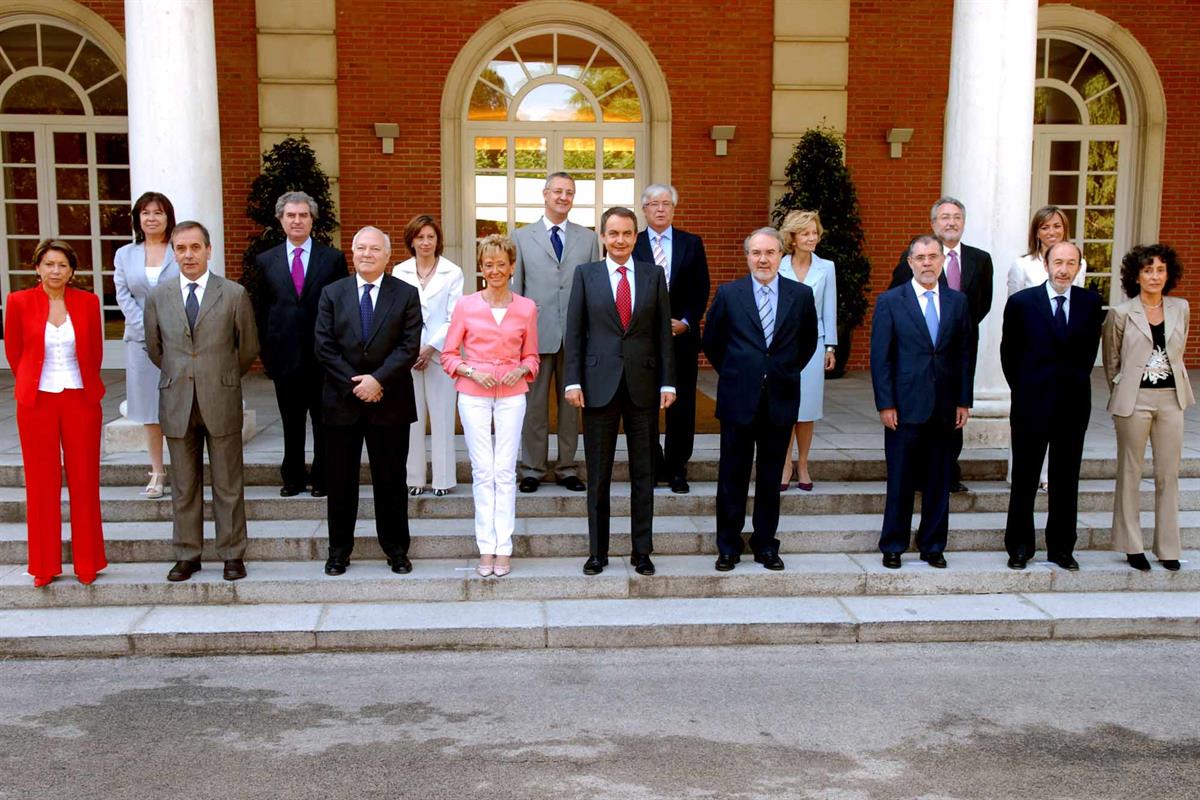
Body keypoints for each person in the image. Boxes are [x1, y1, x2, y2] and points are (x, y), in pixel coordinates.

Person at [145, 221, 259, 582]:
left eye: (195, 247)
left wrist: (220, 376)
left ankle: (231, 553)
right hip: (177, 399)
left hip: (221, 397)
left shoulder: (234, 294)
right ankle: (187, 554)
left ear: (209, 250)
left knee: (228, 482)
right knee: (183, 483)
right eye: (181, 248)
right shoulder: (159, 296)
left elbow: (248, 348)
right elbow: (155, 348)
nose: (188, 254)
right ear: (173, 252)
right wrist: (183, 374)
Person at [564, 206, 675, 576]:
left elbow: (662, 334)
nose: (620, 241)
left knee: (644, 475)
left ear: (635, 236)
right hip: (598, 387)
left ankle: (642, 551)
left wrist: (668, 381)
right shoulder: (586, 275)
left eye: (627, 234)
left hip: (643, 387)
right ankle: (598, 552)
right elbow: (575, 332)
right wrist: (573, 380)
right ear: (603, 237)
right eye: (613, 234)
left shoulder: (653, 275)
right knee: (599, 476)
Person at [702, 228, 817, 572]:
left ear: (781, 254)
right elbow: (712, 341)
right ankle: (728, 545)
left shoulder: (800, 295)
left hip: (780, 398)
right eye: (756, 253)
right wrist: (740, 372)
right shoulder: (729, 294)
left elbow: (807, 342)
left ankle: (766, 544)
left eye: (769, 252)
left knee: (770, 476)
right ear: (747, 257)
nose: (763, 259)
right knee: (732, 475)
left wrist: (779, 371)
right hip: (739, 398)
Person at [314, 226, 422, 576]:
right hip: (341, 403)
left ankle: (396, 550)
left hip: (389, 401)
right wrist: (355, 384)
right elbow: (324, 346)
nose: (366, 254)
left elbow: (409, 345)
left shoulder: (405, 294)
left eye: (375, 249)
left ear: (388, 256)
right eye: (360, 248)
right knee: (340, 482)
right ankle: (338, 552)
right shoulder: (332, 293)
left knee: (391, 481)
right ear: (352, 252)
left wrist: (378, 381)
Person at [5, 240, 106, 586]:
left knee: (84, 480)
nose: (55, 271)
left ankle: (88, 562)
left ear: (72, 271)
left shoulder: (89, 303)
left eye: (62, 265)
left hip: (80, 398)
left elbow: (94, 352)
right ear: (37, 268)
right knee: (41, 483)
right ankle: (44, 565)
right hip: (37, 402)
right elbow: (15, 352)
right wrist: (31, 383)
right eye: (49, 264)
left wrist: (84, 387)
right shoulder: (18, 302)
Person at [871, 235, 974, 569]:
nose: (927, 263)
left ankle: (932, 544)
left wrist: (963, 400)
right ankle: (893, 544)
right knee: (900, 478)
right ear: (910, 262)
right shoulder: (891, 301)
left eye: (933, 257)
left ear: (942, 261)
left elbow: (964, 355)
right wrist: (885, 404)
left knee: (939, 479)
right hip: (904, 406)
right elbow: (881, 358)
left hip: (945, 407)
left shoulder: (957, 302)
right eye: (921, 258)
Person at [1001, 241, 1104, 571]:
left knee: (1066, 479)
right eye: (1057, 262)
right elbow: (1009, 354)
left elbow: (1088, 354)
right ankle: (1019, 546)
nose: (1063, 269)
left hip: (1073, 405)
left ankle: (1061, 547)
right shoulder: (1022, 303)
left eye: (1070, 263)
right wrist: (1026, 390)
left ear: (1078, 267)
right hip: (1031, 404)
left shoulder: (1090, 303)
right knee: (1026, 478)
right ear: (1046, 265)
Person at [441, 235, 539, 577]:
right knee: (483, 471)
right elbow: (449, 355)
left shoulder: (526, 307)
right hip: (473, 393)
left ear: (512, 267)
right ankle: (486, 546)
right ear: (480, 268)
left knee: (505, 471)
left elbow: (533, 357)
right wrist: (471, 371)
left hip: (512, 394)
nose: (495, 270)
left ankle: (504, 547)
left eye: (501, 264)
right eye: (488, 265)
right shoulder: (466, 305)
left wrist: (522, 369)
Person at [889, 197, 992, 492]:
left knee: (954, 411)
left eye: (957, 217)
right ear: (934, 224)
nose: (951, 222)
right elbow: (898, 300)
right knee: (922, 413)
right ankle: (922, 473)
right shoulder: (916, 258)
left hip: (958, 348)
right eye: (945, 217)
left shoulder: (980, 259)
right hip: (920, 353)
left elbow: (981, 304)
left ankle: (948, 472)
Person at [1103, 244, 1193, 572]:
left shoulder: (1180, 307)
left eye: (1160, 270)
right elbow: (1112, 360)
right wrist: (1122, 387)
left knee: (1168, 474)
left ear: (1168, 274)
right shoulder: (1122, 312)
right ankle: (1132, 545)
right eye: (1147, 270)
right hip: (1134, 400)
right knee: (1130, 472)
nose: (1154, 276)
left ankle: (1168, 548)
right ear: (1136, 276)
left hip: (1172, 399)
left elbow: (1179, 351)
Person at [254, 191, 347, 498]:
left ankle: (322, 478)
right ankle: (292, 477)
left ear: (312, 219)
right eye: (291, 215)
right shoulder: (265, 261)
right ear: (281, 219)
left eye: (303, 215)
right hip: (284, 359)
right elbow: (261, 311)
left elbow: (341, 310)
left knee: (323, 423)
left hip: (323, 358)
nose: (297, 220)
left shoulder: (332, 259)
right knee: (291, 423)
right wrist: (267, 356)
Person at [512, 172, 600, 493]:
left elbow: (594, 289)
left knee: (570, 405)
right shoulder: (521, 237)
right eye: (558, 191)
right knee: (533, 406)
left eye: (570, 192)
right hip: (535, 335)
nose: (563, 197)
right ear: (545, 194)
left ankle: (566, 467)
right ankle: (532, 468)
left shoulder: (589, 239)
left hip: (576, 335)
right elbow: (517, 291)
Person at [632, 183, 710, 494]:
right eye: (654, 204)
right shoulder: (633, 244)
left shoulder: (692, 243)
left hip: (682, 336)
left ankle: (678, 467)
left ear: (674, 209)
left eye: (666, 203)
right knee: (645, 403)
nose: (660, 209)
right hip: (642, 340)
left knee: (682, 403)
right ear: (644, 209)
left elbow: (700, 287)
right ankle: (652, 465)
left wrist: (688, 322)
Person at [1007, 205, 1088, 491]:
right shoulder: (1023, 264)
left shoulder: (1078, 262)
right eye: (1045, 227)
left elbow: (1080, 320)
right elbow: (1014, 319)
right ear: (1036, 232)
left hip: (1066, 377)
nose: (1051, 231)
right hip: (1033, 368)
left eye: (1056, 226)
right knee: (1029, 442)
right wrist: (1022, 381)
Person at [393, 215, 464, 497]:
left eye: (430, 237)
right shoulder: (399, 272)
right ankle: (414, 478)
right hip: (407, 357)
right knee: (412, 419)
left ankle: (443, 480)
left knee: (443, 416)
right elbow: (395, 316)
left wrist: (430, 347)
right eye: (420, 237)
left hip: (440, 354)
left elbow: (454, 317)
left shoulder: (452, 272)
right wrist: (411, 349)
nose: (425, 242)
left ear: (438, 240)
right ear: (411, 240)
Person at [113, 192, 178, 499]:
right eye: (146, 213)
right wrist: (147, 330)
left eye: (159, 212)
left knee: (179, 405)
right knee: (150, 411)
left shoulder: (179, 250)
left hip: (179, 341)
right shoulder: (125, 254)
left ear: (168, 217)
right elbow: (123, 295)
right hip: (140, 342)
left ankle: (184, 469)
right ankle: (157, 470)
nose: (152, 218)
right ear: (138, 218)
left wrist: (169, 331)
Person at [776, 209, 837, 491]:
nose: (812, 238)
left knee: (808, 407)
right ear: (793, 237)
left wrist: (830, 346)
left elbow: (829, 309)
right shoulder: (779, 264)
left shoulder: (827, 267)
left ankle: (804, 463)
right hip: (783, 345)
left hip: (814, 343)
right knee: (785, 405)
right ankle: (785, 463)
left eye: (815, 233)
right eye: (806, 233)